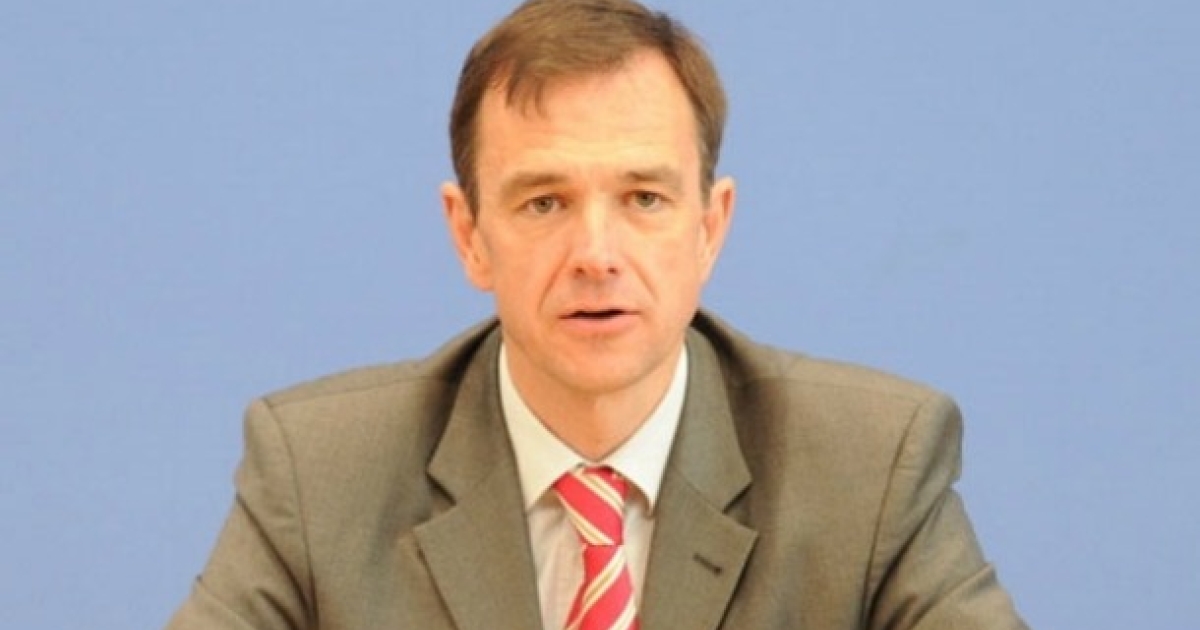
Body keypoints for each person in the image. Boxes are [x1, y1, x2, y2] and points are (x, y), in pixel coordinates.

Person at [166, 0, 1028, 628]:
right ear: (469, 235)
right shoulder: (320, 475)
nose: (596, 253)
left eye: (644, 198)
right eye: (543, 203)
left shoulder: (870, 469)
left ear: (710, 228)